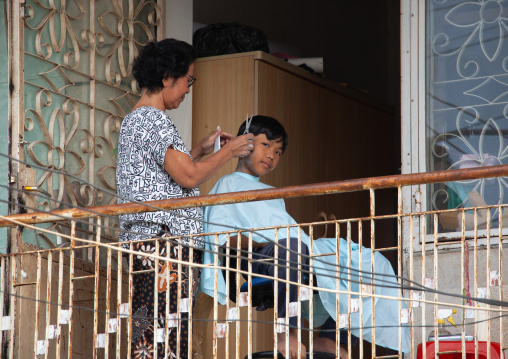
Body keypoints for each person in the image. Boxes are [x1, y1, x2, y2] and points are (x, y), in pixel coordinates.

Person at [199, 116, 410, 358]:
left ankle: (330, 339)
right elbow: (222, 238)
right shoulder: (227, 184)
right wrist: (265, 239)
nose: (271, 156)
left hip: (285, 250)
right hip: (250, 260)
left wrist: (290, 242)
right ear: (243, 143)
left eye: (278, 152)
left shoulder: (273, 194)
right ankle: (286, 333)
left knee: (360, 258)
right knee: (291, 246)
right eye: (266, 145)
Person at [115, 38, 254, 359]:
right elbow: (189, 176)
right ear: (166, 77)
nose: (188, 89)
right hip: (163, 244)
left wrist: (200, 150)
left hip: (149, 242)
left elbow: (164, 176)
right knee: (165, 336)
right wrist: (229, 152)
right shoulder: (153, 119)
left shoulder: (136, 120)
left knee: (152, 332)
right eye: (187, 80)